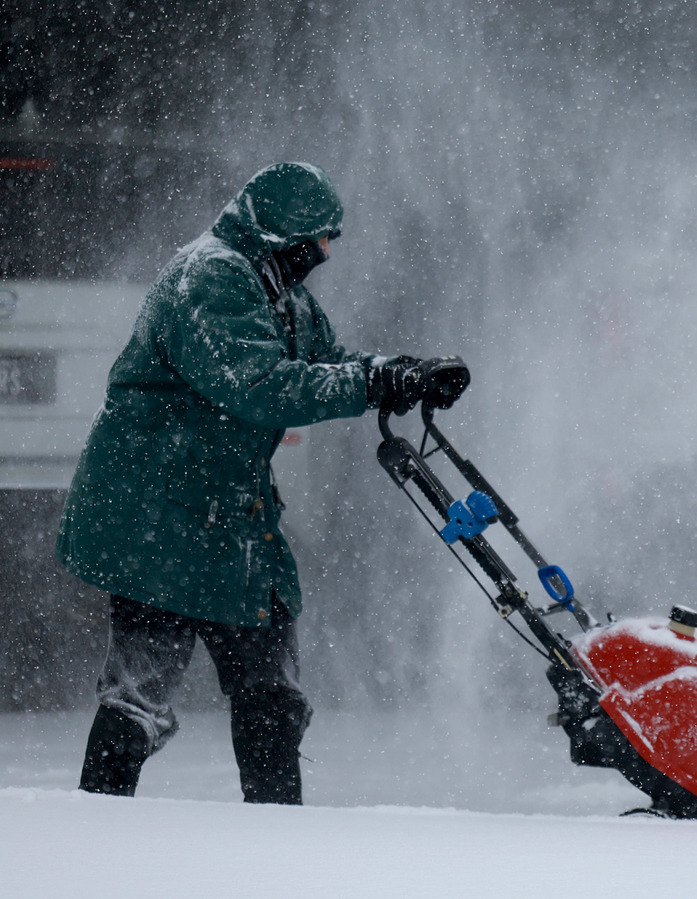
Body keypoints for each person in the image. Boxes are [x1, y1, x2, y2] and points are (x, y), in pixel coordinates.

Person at [57, 161, 467, 804]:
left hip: (234, 519)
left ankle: (278, 836)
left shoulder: (282, 294)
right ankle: (98, 825)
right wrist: (371, 387)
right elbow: (260, 385)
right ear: (281, 236)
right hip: (158, 515)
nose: (326, 253)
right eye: (318, 240)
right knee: (140, 693)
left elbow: (325, 363)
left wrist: (401, 372)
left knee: (272, 689)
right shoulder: (209, 277)